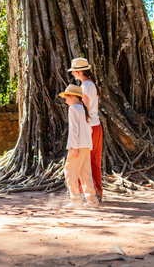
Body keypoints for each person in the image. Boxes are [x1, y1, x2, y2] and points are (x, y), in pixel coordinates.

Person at [68, 58, 103, 202]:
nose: (73, 75)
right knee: (92, 160)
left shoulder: (86, 87)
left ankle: (89, 194)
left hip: (90, 127)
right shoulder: (90, 84)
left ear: (79, 72)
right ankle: (95, 194)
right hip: (95, 125)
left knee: (83, 161)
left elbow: (86, 109)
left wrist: (82, 128)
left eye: (74, 72)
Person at [59, 84, 99, 208]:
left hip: (78, 145)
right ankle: (92, 201)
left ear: (72, 96)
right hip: (86, 145)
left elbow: (74, 129)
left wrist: (74, 147)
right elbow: (89, 129)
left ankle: (76, 200)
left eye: (66, 97)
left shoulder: (73, 109)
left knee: (69, 172)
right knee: (85, 173)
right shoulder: (83, 108)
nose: (65, 101)